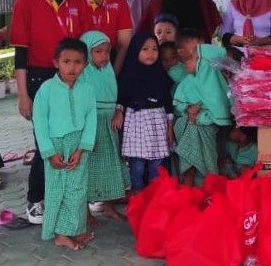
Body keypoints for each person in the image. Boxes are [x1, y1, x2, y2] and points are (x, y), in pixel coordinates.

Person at [10, 0, 81, 225]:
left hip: (72, 81)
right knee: (46, 144)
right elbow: (20, 54)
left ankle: (62, 196)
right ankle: (35, 200)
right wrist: (23, 95)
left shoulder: (75, 2)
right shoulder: (26, 2)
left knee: (69, 140)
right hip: (40, 80)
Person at [32, 38, 96, 251]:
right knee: (57, 190)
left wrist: (82, 148)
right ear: (56, 62)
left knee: (77, 190)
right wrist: (49, 152)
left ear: (85, 65)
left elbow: (91, 119)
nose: (72, 67)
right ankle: (60, 234)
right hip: (56, 147)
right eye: (66, 61)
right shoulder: (47, 89)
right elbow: (39, 122)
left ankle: (74, 229)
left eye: (78, 62)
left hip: (78, 146)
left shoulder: (87, 89)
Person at [78, 31, 129, 224]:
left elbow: (116, 96)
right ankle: (86, 212)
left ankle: (108, 207)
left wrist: (118, 111)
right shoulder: (83, 73)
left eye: (107, 52)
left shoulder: (108, 72)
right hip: (91, 127)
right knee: (87, 169)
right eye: (98, 52)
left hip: (109, 125)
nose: (104, 56)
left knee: (110, 166)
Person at [170, 29, 232, 187]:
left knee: (209, 155)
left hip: (207, 125)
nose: (187, 64)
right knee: (189, 133)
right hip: (191, 124)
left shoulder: (209, 75)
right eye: (188, 59)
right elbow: (179, 105)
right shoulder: (189, 80)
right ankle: (189, 183)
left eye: (194, 58)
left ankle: (207, 185)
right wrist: (189, 110)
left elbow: (221, 52)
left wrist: (200, 51)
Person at [117, 32, 175, 192]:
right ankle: (138, 196)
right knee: (137, 166)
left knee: (156, 165)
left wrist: (170, 127)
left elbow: (168, 104)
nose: (151, 53)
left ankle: (153, 198)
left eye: (154, 49)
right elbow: (121, 99)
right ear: (135, 50)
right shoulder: (128, 76)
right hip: (136, 124)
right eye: (145, 49)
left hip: (157, 124)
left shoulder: (161, 76)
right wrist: (118, 111)